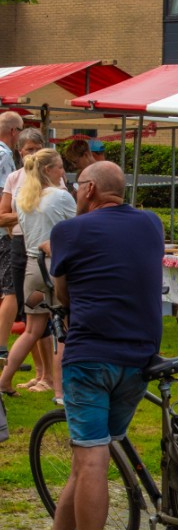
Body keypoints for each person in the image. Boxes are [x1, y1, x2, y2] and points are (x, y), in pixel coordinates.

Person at [19, 161, 164, 530]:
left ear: (88, 191)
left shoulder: (70, 232)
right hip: (140, 357)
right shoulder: (151, 224)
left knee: (92, 459)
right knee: (90, 457)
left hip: (90, 356)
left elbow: (62, 295)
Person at [0, 149, 76, 398]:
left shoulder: (23, 197)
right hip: (57, 267)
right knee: (64, 329)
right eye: (59, 167)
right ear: (48, 170)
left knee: (32, 330)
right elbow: (78, 228)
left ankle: (3, 381)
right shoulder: (62, 197)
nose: (63, 172)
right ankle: (60, 391)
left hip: (32, 267)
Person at [0, 129, 54, 394]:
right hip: (22, 246)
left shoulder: (51, 178)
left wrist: (20, 217)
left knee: (40, 314)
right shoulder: (14, 178)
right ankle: (41, 373)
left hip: (43, 248)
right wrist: (25, 218)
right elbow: (2, 216)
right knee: (30, 313)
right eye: (27, 149)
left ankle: (46, 376)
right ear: (19, 152)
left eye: (36, 148)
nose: (32, 154)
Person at [0, 112, 24, 360]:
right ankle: (1, 348)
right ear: (14, 132)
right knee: (10, 291)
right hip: (3, 232)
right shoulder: (5, 155)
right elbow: (3, 196)